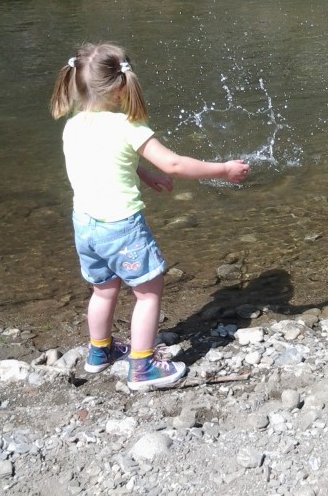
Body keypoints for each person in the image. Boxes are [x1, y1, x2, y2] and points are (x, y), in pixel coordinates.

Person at [50, 43, 249, 391]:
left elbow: (103, 162)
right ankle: (142, 368)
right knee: (148, 292)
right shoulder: (129, 125)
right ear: (121, 85)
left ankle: (100, 353)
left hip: (84, 225)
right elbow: (173, 163)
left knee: (103, 290)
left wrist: (143, 174)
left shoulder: (73, 125)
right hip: (121, 226)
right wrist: (223, 170)